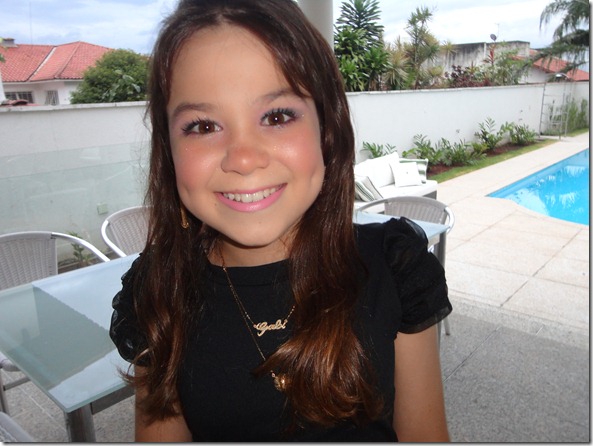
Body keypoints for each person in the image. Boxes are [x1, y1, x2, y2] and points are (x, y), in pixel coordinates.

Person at [109, 0, 452, 441]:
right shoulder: (158, 290)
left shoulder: (395, 267)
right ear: (168, 150)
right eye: (203, 126)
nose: (243, 158)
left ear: (327, 129)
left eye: (277, 116)